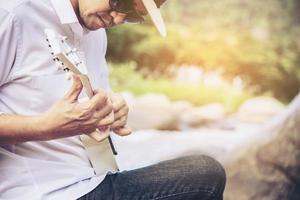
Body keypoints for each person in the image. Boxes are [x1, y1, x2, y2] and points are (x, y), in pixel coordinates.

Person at [0, 0, 226, 199]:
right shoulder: (14, 14)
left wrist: (111, 111)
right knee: (206, 176)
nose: (118, 19)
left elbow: (95, 103)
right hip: (45, 191)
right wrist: (45, 126)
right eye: (121, 3)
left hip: (95, 179)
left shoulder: (96, 35)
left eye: (133, 15)